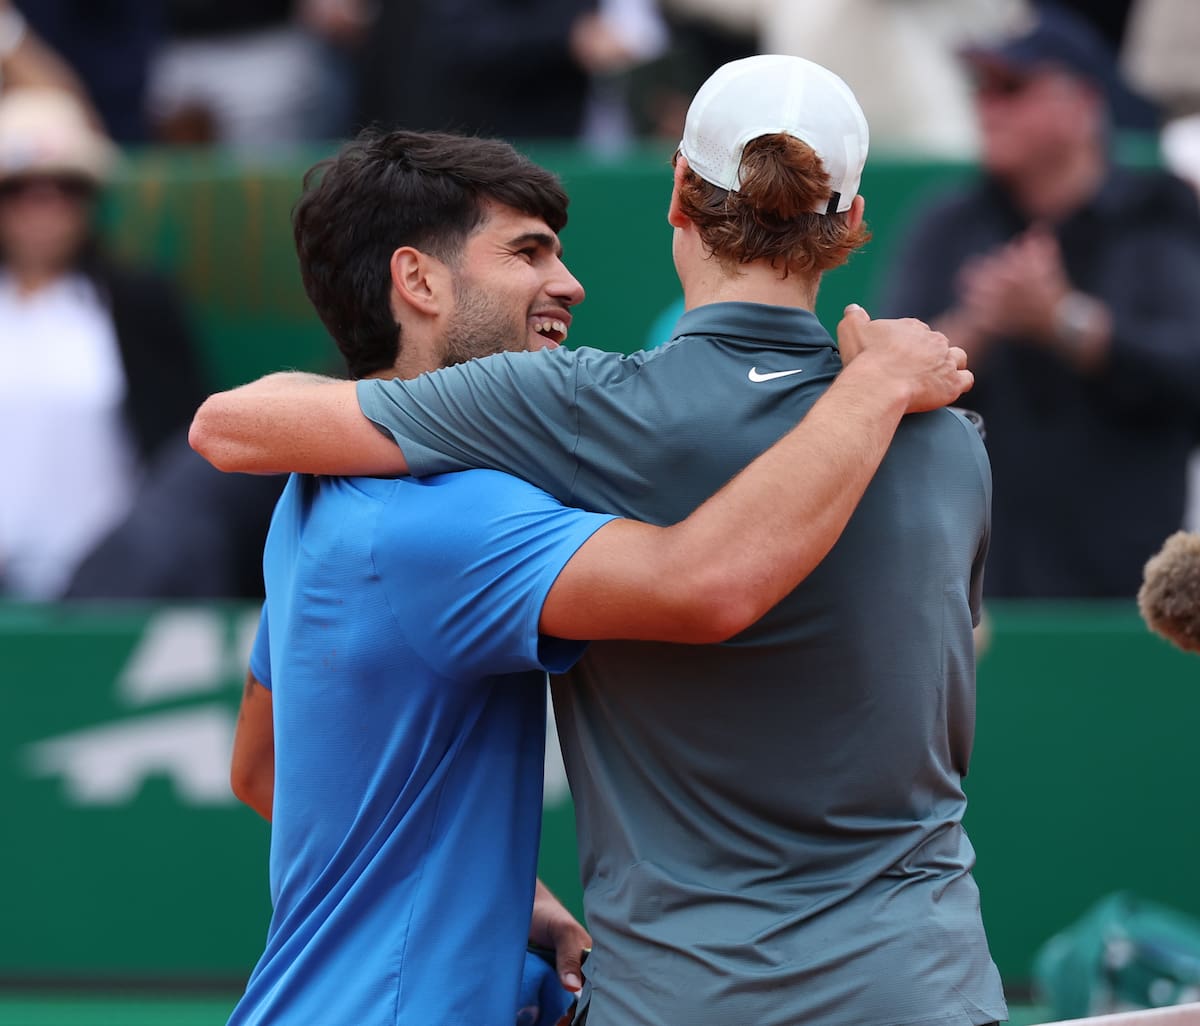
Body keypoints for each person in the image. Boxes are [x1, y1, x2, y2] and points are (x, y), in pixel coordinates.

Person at [192, 57, 1001, 1026]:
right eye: (528, 253)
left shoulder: (335, 496)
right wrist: (870, 391)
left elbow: (261, 767)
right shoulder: (949, 441)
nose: (567, 284)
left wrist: (505, 903)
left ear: (677, 196)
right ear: (848, 219)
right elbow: (705, 582)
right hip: (926, 989)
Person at [881, 4, 1200, 599]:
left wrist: (1064, 321)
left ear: (1081, 104)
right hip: (973, 590)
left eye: (1013, 87)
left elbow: (1188, 368)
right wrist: (980, 325)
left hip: (1127, 592)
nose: (987, 106)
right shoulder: (949, 222)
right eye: (981, 87)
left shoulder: (1160, 214)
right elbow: (878, 387)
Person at [0, 87, 207, 599]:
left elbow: (184, 440)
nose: (42, 207)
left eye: (65, 188)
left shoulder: (137, 304)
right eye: (20, 189)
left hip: (112, 581)